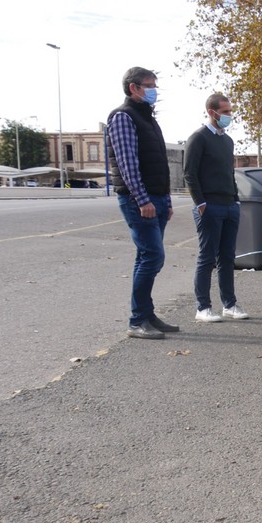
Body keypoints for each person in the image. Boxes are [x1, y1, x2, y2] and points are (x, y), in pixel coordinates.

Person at [106, 66, 178, 340]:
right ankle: (137, 320)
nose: (154, 90)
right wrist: (142, 199)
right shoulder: (123, 117)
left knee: (147, 257)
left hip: (157, 198)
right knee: (152, 256)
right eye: (149, 85)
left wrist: (167, 200)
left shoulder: (148, 119)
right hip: (140, 200)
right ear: (133, 87)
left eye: (154, 85)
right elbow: (127, 164)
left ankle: (146, 314)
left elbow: (159, 162)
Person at [183, 93, 249, 323]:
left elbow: (228, 173)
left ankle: (229, 305)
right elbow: (189, 174)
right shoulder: (198, 138)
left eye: (230, 111)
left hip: (230, 205)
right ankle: (203, 308)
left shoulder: (227, 141)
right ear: (212, 112)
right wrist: (200, 203)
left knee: (227, 257)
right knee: (207, 257)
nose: (230, 116)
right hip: (209, 206)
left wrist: (236, 200)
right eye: (225, 112)